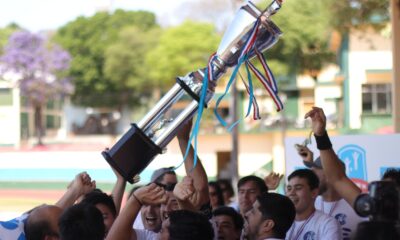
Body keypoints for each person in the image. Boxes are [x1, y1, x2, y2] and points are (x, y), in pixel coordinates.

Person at [296, 146, 365, 239]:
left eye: (314, 174)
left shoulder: (358, 205)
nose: (311, 180)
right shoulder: (309, 204)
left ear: (330, 174)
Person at [285, 169, 341, 240]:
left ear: (314, 193)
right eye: (289, 189)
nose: (291, 193)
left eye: (298, 188)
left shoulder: (328, 224)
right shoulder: (280, 221)